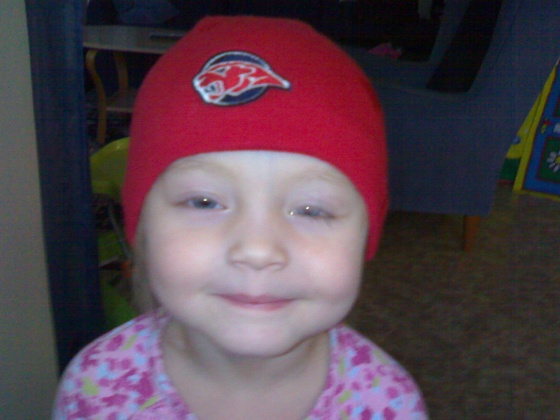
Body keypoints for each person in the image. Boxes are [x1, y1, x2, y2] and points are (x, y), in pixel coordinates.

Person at [54, 15, 428, 419]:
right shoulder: (95, 390)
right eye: (203, 202)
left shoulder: (389, 405)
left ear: (365, 236)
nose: (257, 250)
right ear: (143, 227)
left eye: (311, 210)